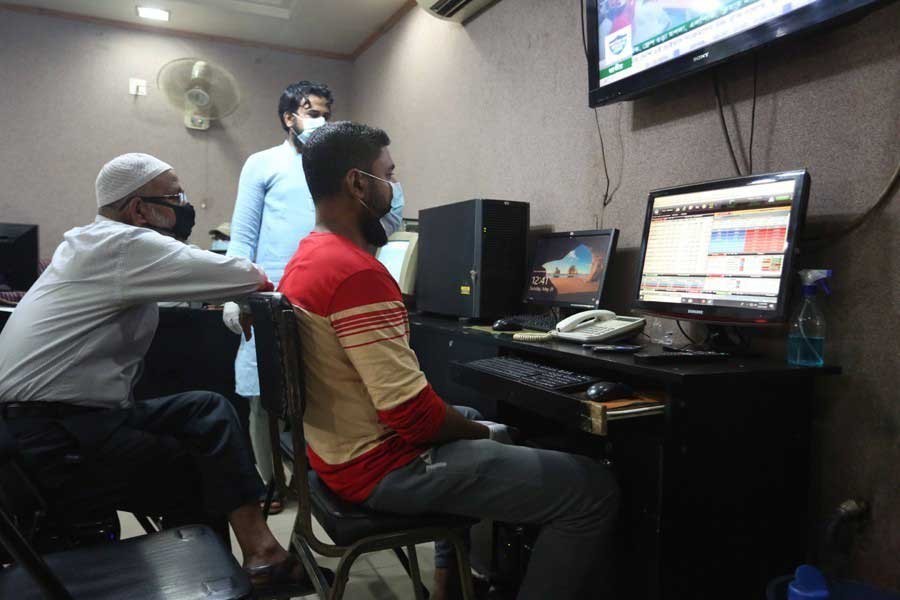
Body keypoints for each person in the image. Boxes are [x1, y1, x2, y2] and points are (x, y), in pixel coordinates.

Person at [278, 123, 621, 600]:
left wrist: (474, 427)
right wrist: (482, 434)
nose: (394, 189)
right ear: (358, 183)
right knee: (592, 489)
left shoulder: (305, 258)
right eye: (388, 175)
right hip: (382, 468)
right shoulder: (354, 273)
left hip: (337, 455)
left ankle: (449, 585)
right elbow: (412, 417)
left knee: (474, 415)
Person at [0, 153, 317, 597]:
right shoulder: (123, 244)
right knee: (198, 469)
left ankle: (258, 554)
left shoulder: (96, 243)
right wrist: (246, 290)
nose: (184, 206)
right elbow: (245, 273)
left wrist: (237, 293)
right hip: (52, 440)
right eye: (176, 197)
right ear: (139, 209)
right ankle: (213, 580)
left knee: (204, 409)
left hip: (62, 422)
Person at [222, 81, 404, 512]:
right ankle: (273, 484)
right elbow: (243, 235)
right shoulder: (263, 164)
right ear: (289, 118)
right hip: (274, 295)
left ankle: (324, 475)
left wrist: (386, 193)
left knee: (328, 392)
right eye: (313, 113)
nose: (322, 121)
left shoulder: (340, 167)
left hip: (332, 290)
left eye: (327, 114)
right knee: (264, 399)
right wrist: (235, 295)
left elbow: (387, 216)